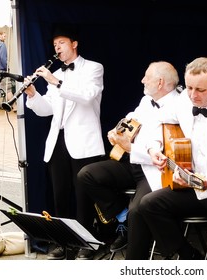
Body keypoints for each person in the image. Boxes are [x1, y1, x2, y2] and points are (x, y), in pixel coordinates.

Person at [136, 57, 207, 260]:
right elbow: (157, 119)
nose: (192, 95)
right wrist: (153, 146)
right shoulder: (184, 100)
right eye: (189, 87)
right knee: (148, 204)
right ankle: (190, 258)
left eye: (200, 90)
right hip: (192, 189)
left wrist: (202, 181)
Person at [77, 61, 180, 259]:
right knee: (87, 175)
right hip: (131, 162)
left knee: (138, 211)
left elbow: (163, 151)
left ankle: (134, 262)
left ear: (160, 83)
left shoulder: (178, 106)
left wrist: (130, 147)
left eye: (146, 77)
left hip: (154, 171)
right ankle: (121, 218)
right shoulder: (146, 99)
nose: (142, 80)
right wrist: (117, 130)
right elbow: (132, 117)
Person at [23, 25, 105, 260]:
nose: (57, 48)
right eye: (55, 44)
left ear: (74, 43)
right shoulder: (56, 73)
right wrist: (32, 94)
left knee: (83, 195)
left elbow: (87, 96)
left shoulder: (93, 68)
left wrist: (56, 82)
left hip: (83, 141)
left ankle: (87, 244)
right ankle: (64, 243)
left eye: (61, 43)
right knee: (60, 194)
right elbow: (46, 109)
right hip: (57, 140)